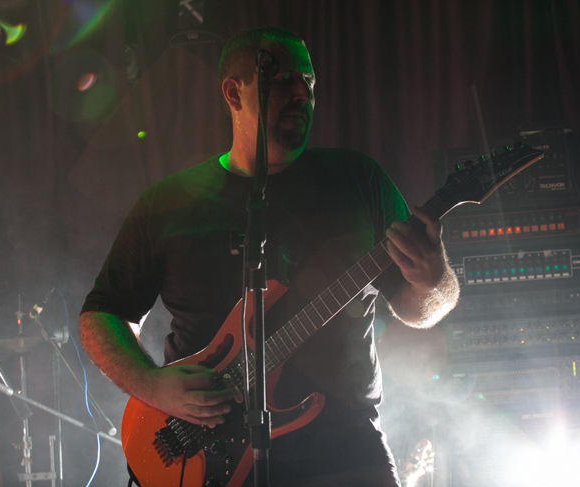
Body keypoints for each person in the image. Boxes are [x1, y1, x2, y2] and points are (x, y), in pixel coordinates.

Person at [79, 26, 459, 487]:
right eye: (282, 80)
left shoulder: (359, 181)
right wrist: (150, 384)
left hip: (345, 451)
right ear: (233, 93)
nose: (301, 93)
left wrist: (432, 279)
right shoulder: (169, 203)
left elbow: (417, 309)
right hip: (205, 458)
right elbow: (102, 315)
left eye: (309, 81)